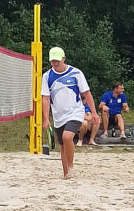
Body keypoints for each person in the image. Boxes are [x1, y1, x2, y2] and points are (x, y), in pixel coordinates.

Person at [40, 46, 96, 179]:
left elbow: (86, 93)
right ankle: (67, 174)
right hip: (58, 115)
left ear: (64, 59)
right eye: (53, 60)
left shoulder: (76, 73)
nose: (55, 63)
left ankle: (70, 167)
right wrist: (46, 119)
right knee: (62, 145)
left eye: (57, 60)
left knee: (67, 137)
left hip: (75, 112)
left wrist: (94, 112)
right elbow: (46, 98)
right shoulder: (47, 76)